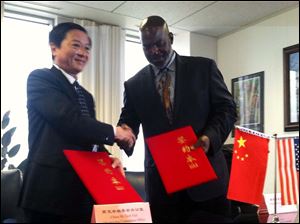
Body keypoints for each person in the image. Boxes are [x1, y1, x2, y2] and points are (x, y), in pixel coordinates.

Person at [118, 16, 237, 222]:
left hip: (206, 182)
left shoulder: (203, 68)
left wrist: (210, 137)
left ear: (170, 38)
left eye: (159, 44)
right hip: (163, 189)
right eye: (147, 47)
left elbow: (227, 109)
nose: (154, 51)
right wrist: (126, 134)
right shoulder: (134, 84)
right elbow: (128, 121)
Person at [18, 22, 136, 223]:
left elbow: (86, 138)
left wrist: (108, 158)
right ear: (54, 48)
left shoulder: (86, 97)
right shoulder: (40, 79)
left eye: (87, 48)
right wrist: (115, 132)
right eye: (75, 45)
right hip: (48, 193)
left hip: (80, 195)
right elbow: (69, 121)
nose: (83, 52)